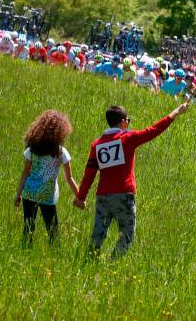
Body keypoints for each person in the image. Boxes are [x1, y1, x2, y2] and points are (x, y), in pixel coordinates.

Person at [73, 102, 189, 259]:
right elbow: (153, 130)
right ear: (122, 122)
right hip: (124, 196)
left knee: (98, 234)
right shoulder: (128, 139)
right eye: (128, 120)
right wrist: (175, 112)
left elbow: (89, 173)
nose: (128, 123)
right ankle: (113, 263)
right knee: (127, 235)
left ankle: (89, 261)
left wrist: (81, 197)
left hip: (103, 197)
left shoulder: (97, 145)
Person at [14, 110, 79, 248]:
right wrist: (80, 197)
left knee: (28, 229)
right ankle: (56, 257)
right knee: (53, 232)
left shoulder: (32, 149)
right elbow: (69, 178)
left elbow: (25, 173)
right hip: (47, 194)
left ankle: (25, 253)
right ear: (60, 132)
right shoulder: (61, 151)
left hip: (29, 192)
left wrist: (18, 194)